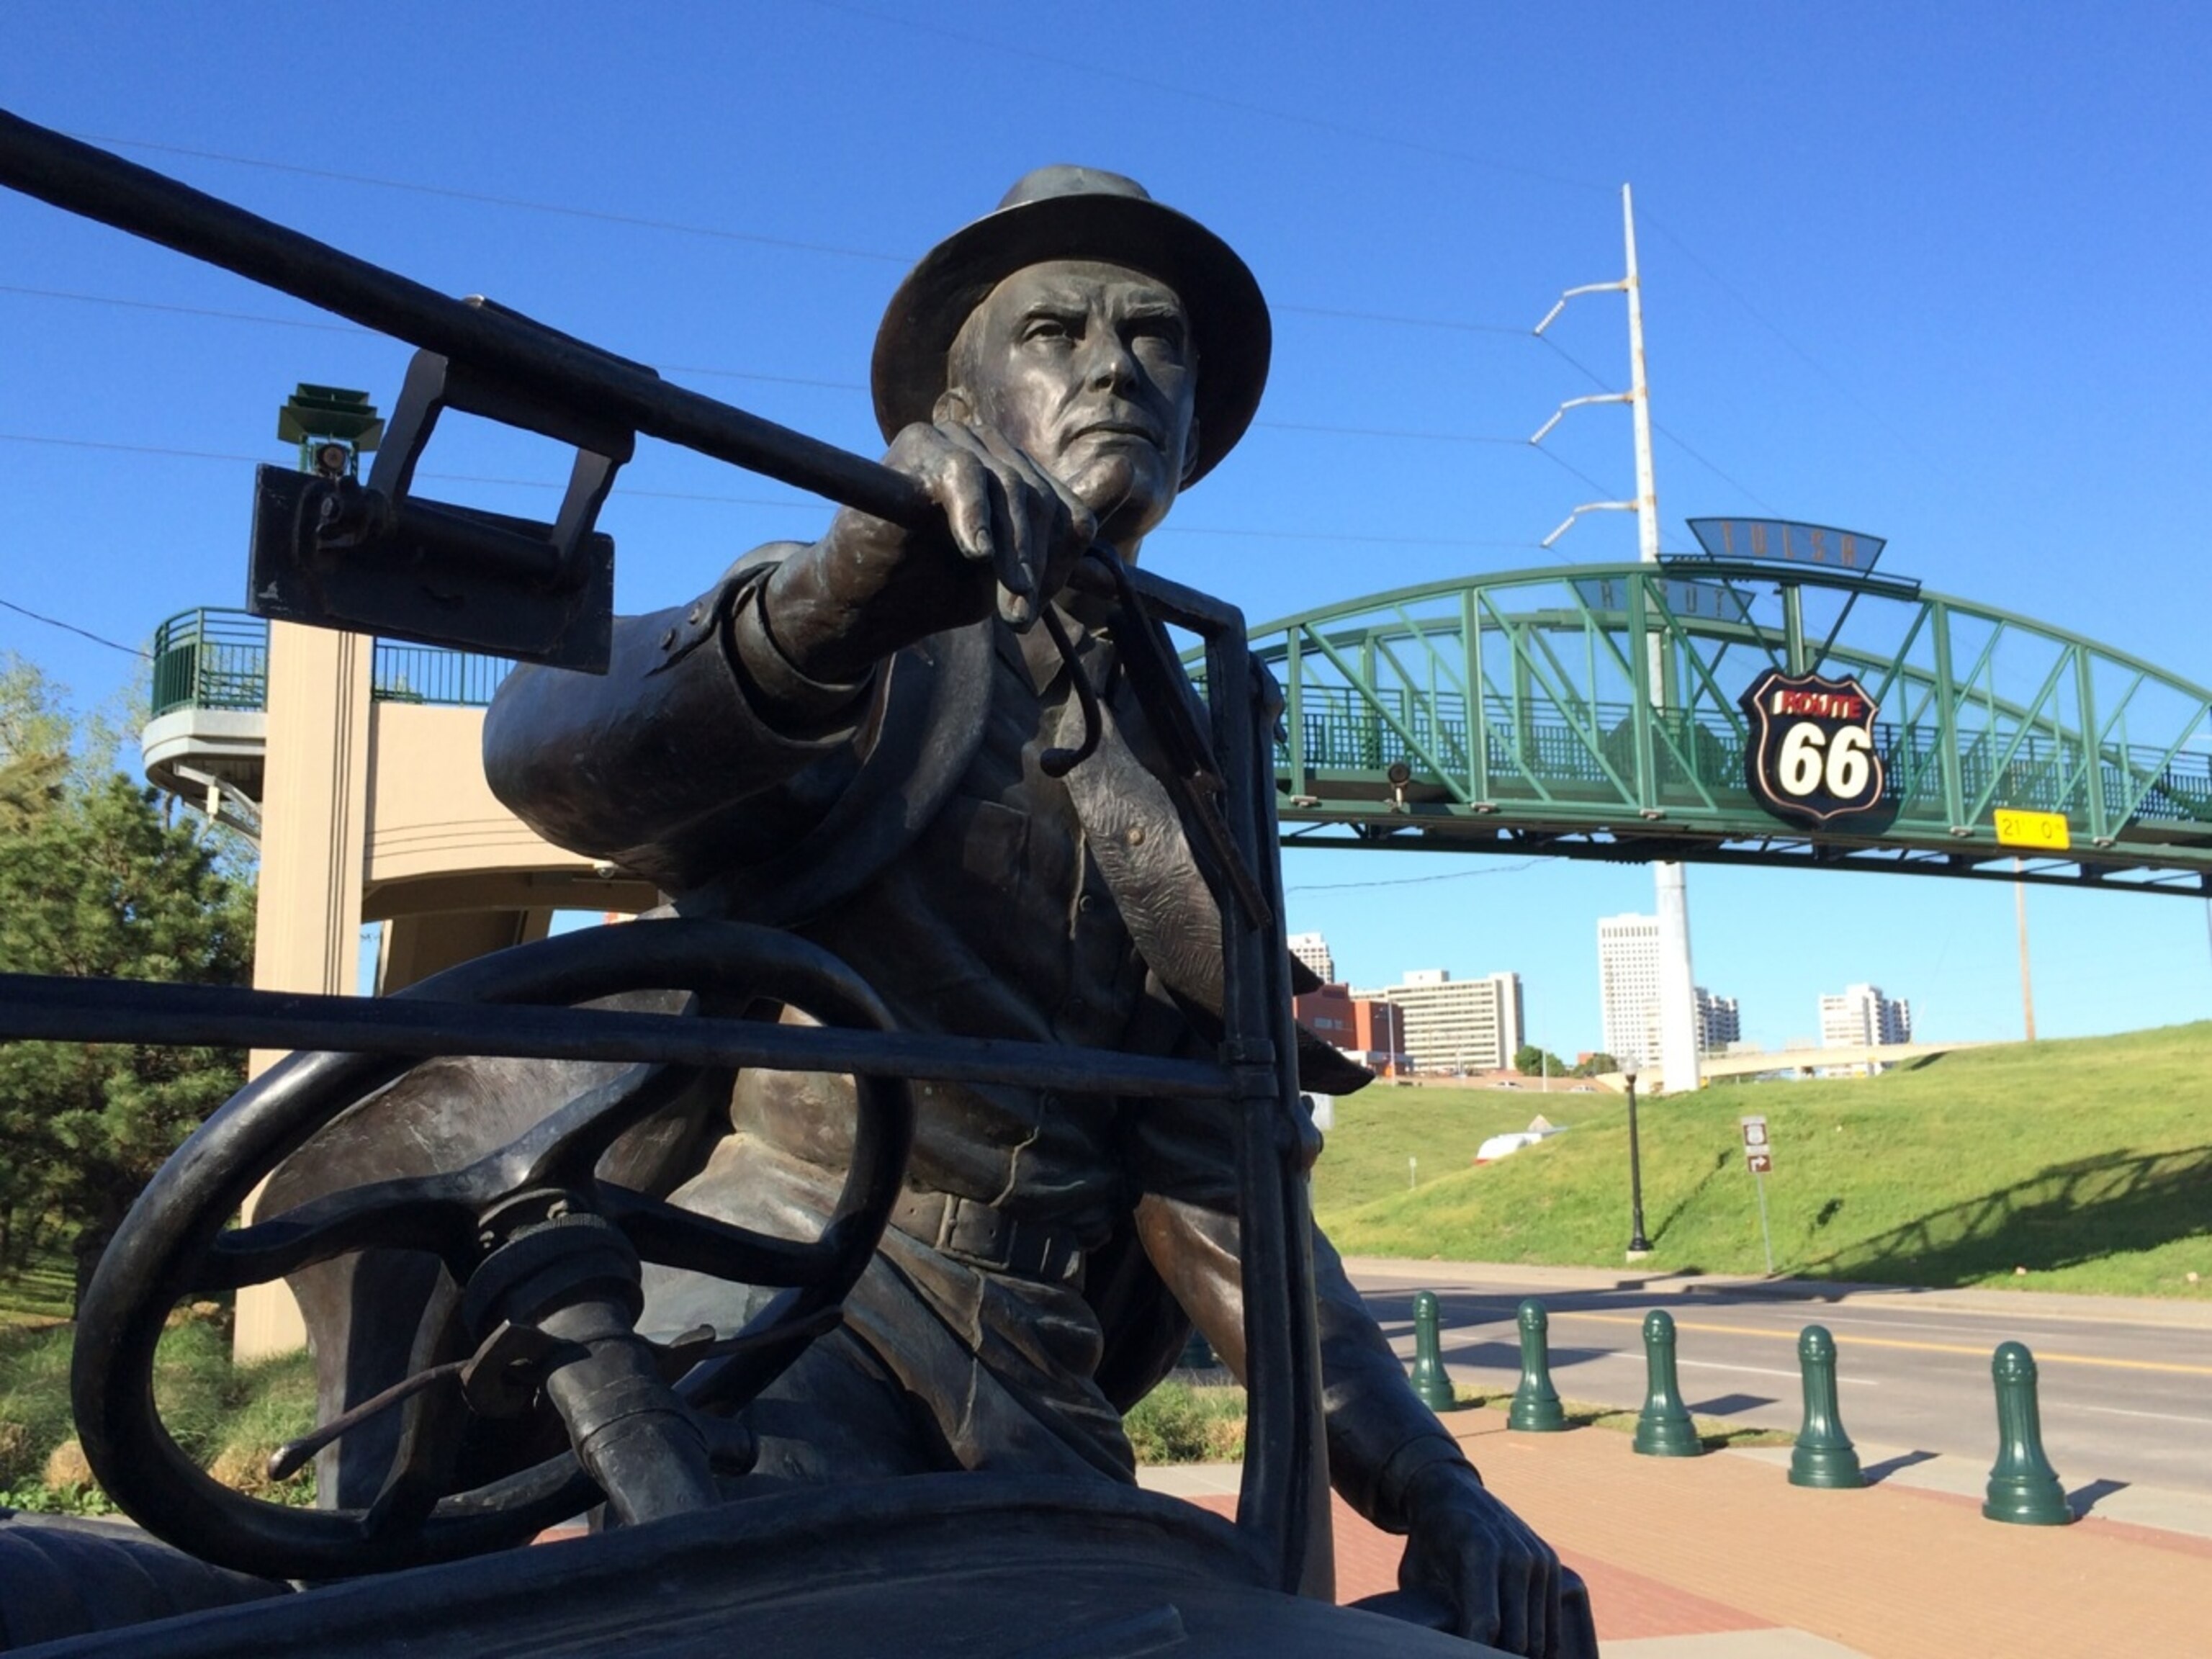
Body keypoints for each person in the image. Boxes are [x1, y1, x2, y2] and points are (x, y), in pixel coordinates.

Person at [476, 166, 1591, 1658]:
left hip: (1036, 1379)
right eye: (1056, 331)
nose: (1117, 367)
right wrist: (827, 606)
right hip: (785, 1304)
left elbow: (1220, 1193)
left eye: (1155, 339)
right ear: (965, 399)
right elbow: (546, 752)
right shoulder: (865, 626)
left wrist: (1429, 1484)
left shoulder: (1200, 738)